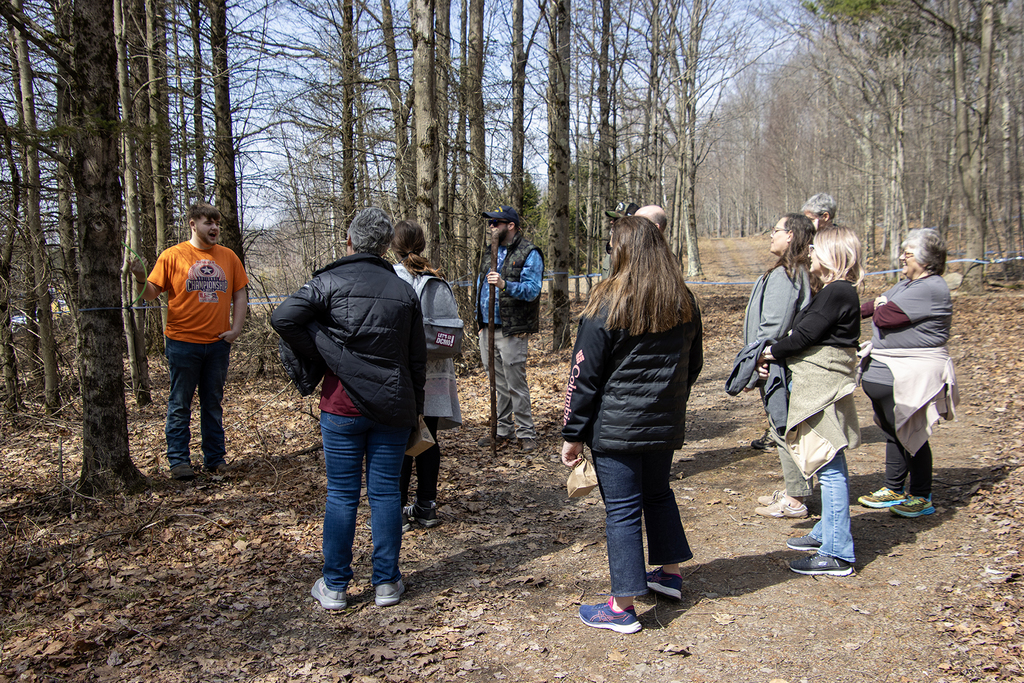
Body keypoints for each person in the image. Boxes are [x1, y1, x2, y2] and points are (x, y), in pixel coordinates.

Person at [271, 207, 426, 610]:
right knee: (386, 494)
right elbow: (417, 362)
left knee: (342, 494)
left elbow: (284, 316)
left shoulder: (328, 281)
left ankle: (336, 586)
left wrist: (325, 352)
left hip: (340, 406)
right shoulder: (404, 290)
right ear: (384, 246)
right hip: (392, 407)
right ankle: (387, 584)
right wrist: (417, 412)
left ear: (350, 242)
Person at [561, 216, 703, 633]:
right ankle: (669, 573)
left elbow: (583, 376)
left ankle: (621, 606)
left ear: (621, 250)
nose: (608, 253)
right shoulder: (683, 299)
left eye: (609, 246)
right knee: (658, 495)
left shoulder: (606, 301)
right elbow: (691, 365)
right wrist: (667, 402)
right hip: (663, 422)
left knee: (622, 511)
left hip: (618, 429)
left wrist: (573, 433)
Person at [758, 226, 862, 576]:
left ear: (834, 255)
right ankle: (827, 533)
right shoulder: (834, 292)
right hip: (820, 386)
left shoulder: (837, 292)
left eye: (817, 249)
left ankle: (838, 553)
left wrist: (769, 351)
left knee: (829, 466)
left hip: (823, 389)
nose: (811, 254)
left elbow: (802, 336)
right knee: (825, 463)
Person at [130, 203, 248, 481]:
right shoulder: (173, 256)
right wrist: (138, 277)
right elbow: (150, 294)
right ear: (193, 224)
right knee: (180, 403)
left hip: (218, 344)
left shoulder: (229, 257)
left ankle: (215, 459)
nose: (215, 227)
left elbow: (240, 295)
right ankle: (179, 462)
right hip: (182, 342)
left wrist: (236, 330)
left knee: (212, 403)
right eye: (208, 222)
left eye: (217, 222)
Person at [857, 228, 957, 518]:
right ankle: (894, 487)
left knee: (912, 432)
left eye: (908, 253)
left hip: (913, 371)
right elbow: (869, 307)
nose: (901, 257)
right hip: (888, 369)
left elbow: (886, 316)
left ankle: (921, 495)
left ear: (925, 260)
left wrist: (879, 306)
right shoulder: (906, 284)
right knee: (893, 429)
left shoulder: (931, 287)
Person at [391, 220, 462, 531]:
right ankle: (427, 506)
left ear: (392, 247)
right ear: (422, 244)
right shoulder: (436, 279)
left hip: (405, 372)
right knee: (428, 439)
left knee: (403, 440)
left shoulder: (391, 279)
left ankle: (397, 509)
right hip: (436, 373)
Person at [744, 214, 817, 519]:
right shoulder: (793, 271)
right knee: (783, 427)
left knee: (782, 427)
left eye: (775, 231)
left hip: (778, 367)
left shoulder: (786, 274)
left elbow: (772, 328)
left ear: (791, 236)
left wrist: (758, 359)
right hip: (781, 363)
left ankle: (796, 499)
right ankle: (793, 489)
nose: (770, 236)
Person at [476, 205, 543, 452]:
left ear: (510, 225)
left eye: (497, 223)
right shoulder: (487, 252)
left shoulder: (529, 252)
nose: (491, 227)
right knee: (498, 383)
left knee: (515, 382)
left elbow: (533, 290)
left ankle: (526, 432)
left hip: (512, 329)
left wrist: (505, 285)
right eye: (490, 223)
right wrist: (480, 323)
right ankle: (503, 429)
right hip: (488, 328)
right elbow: (479, 288)